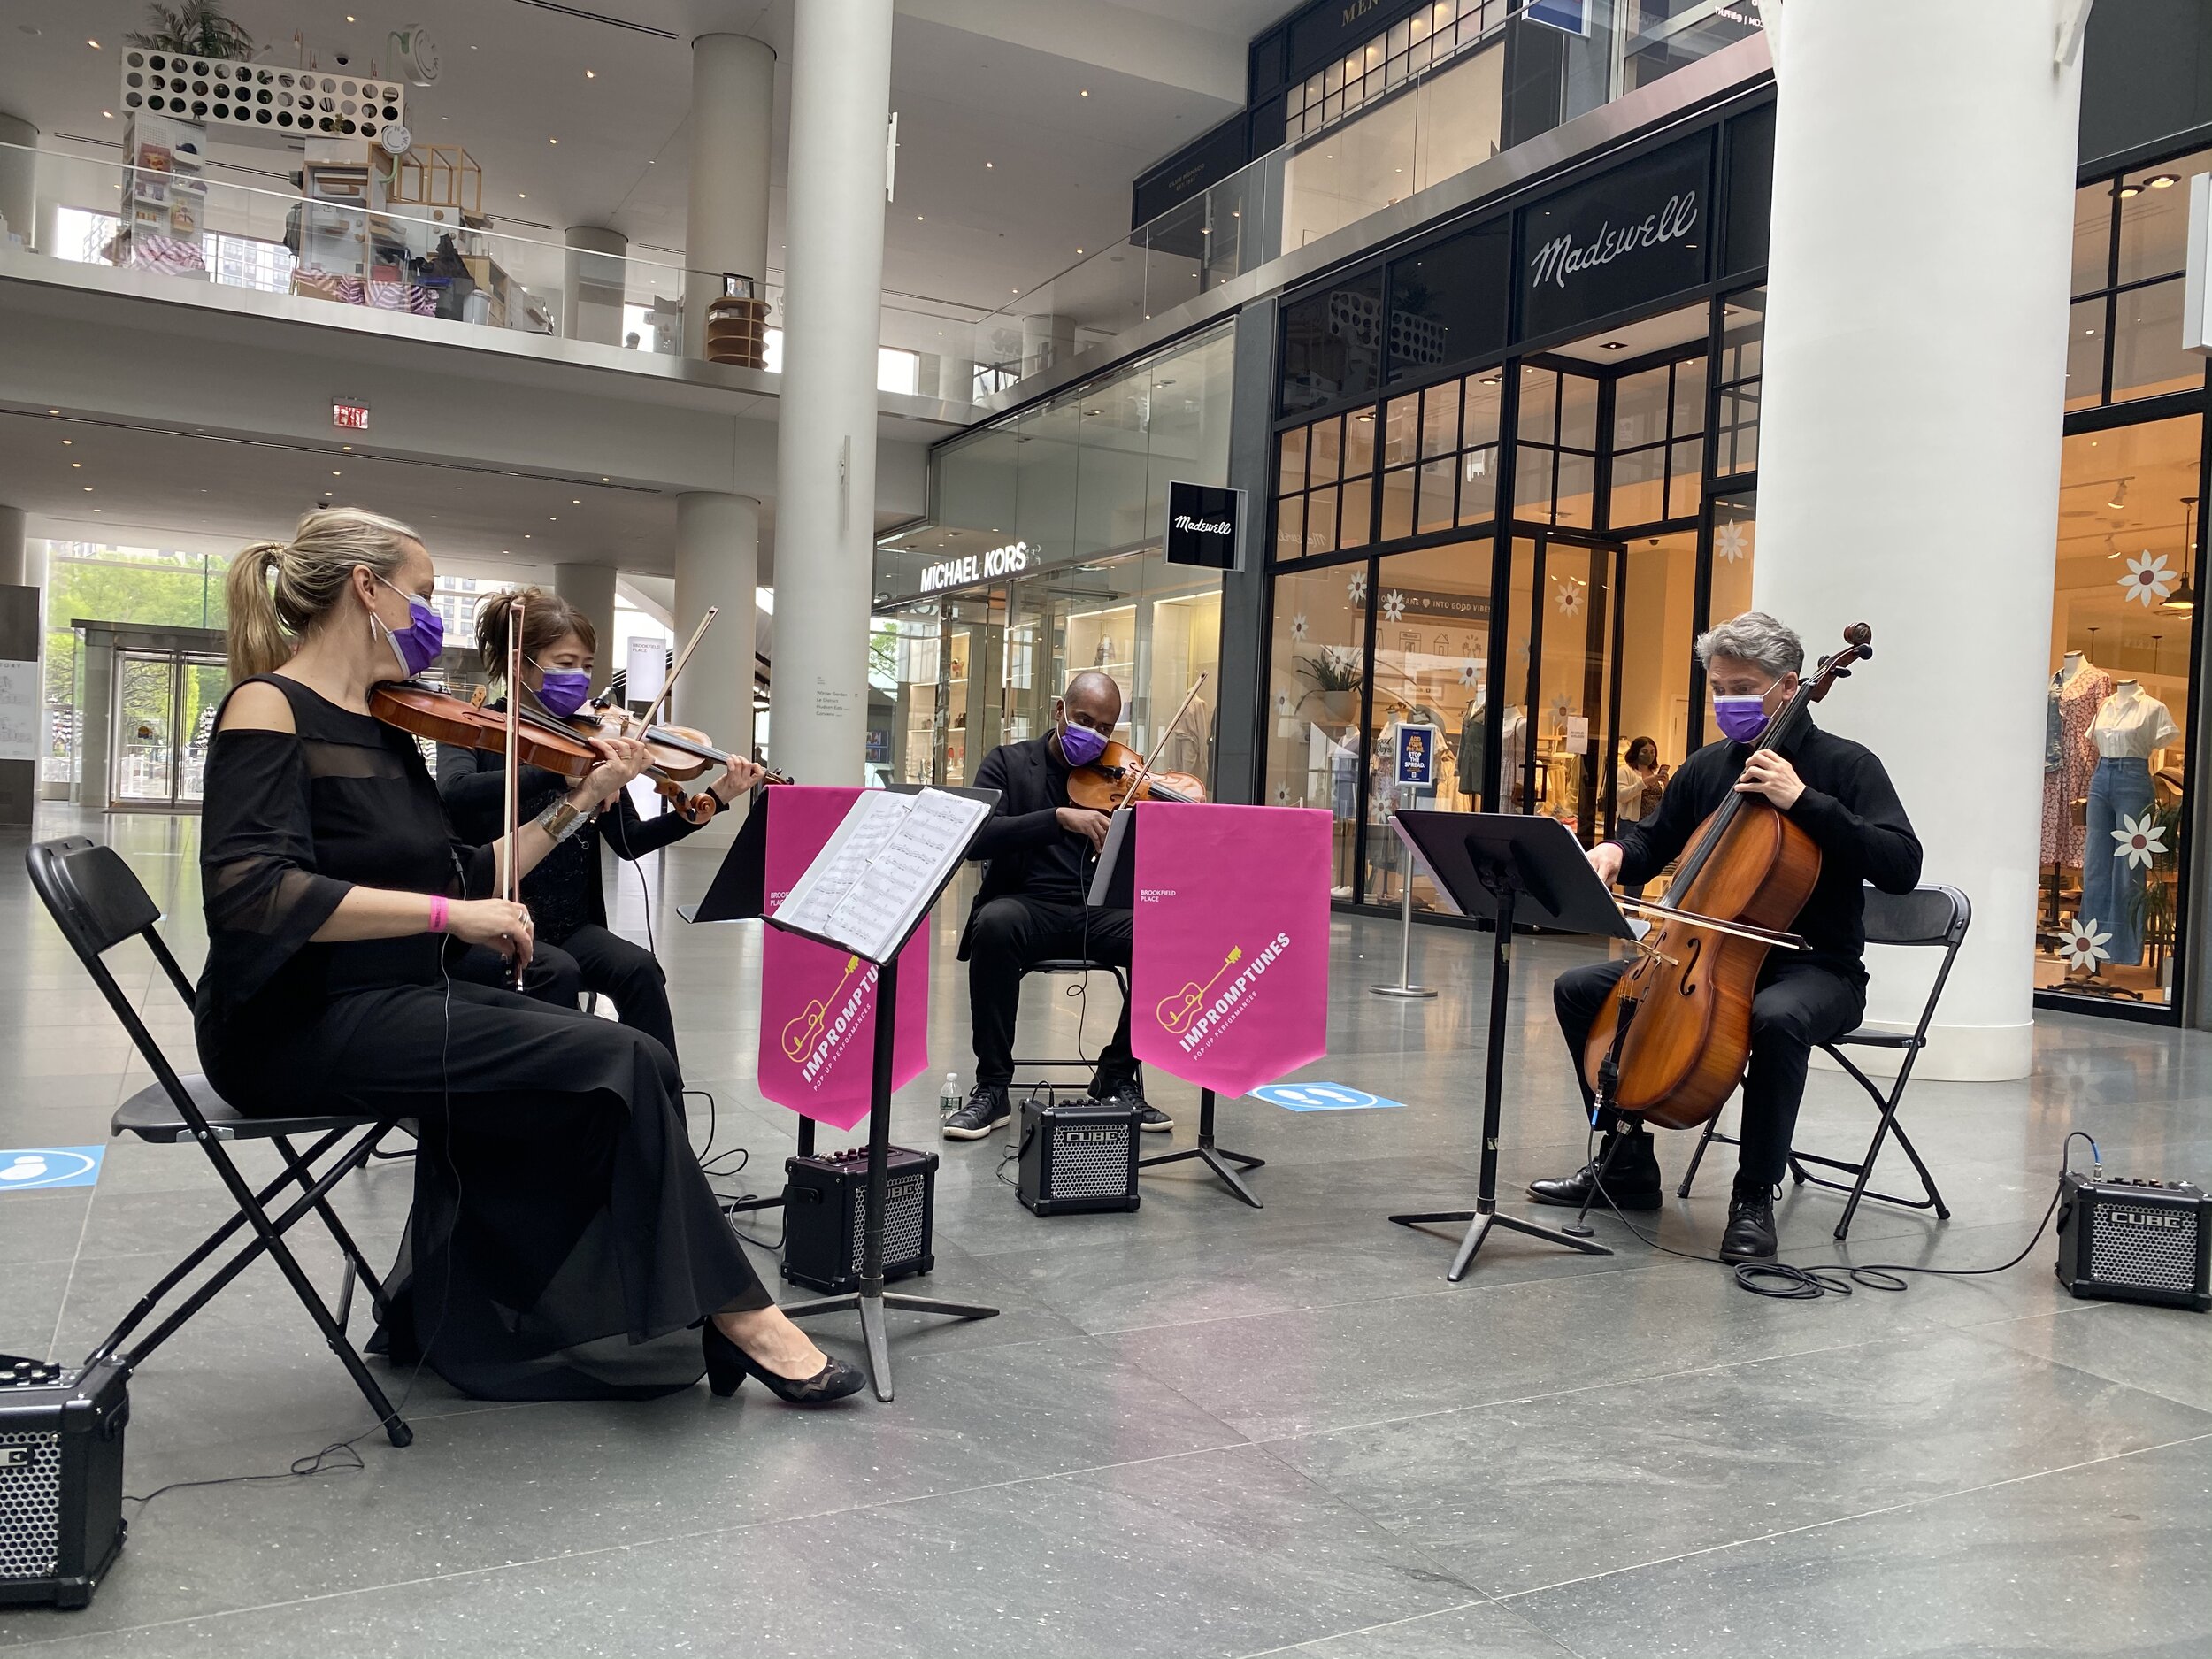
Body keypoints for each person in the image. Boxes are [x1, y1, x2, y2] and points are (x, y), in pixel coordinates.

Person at [196, 508, 861, 1405]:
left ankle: (487, 1307)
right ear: (367, 588)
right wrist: (449, 917)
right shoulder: (267, 705)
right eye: (422, 595)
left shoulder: (387, 722)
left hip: (389, 994)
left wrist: (584, 799)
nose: (430, 617)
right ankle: (738, 1313)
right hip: (293, 1020)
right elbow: (254, 896)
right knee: (611, 1052)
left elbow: (470, 868)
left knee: (622, 1054)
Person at [1529, 612, 1922, 1263]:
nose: (1725, 703)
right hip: (1701, 958)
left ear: (1790, 685)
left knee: (1775, 1018)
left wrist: (1806, 802)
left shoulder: (1844, 766)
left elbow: (1903, 865)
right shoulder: (1709, 768)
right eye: (1717, 689)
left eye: (1741, 687)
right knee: (1580, 990)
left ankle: (1753, 1194)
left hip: (1816, 970)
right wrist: (1617, 853)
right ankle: (1625, 1159)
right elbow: (1653, 839)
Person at [437, 587, 756, 1069]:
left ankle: (665, 1114)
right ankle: (571, 1105)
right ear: (523, 666)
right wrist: (559, 771)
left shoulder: (593, 742)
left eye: (587, 665)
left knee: (641, 969)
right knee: (557, 974)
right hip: (489, 929)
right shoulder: (476, 727)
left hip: (569, 926)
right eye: (566, 663)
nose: (581, 678)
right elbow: (454, 793)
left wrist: (713, 800)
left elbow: (628, 842)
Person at [940, 671, 1171, 1140]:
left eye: (1106, 729)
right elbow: (975, 837)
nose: (1095, 736)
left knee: (1164, 937)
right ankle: (992, 1088)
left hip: (1097, 910)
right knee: (996, 923)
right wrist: (1057, 818)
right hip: (1027, 906)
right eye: (1085, 720)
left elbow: (1162, 856)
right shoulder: (1006, 763)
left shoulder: (1121, 779)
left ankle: (1116, 1075)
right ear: (1058, 711)